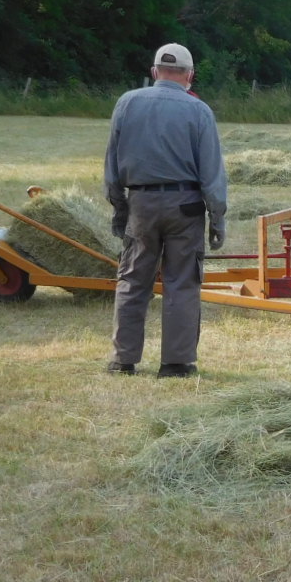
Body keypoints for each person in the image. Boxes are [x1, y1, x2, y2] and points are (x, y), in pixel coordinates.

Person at [103, 43, 227, 377]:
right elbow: (212, 174)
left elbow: (112, 165)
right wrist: (217, 219)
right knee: (182, 283)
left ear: (154, 71)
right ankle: (175, 363)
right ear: (189, 75)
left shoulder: (127, 103)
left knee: (132, 280)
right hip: (185, 206)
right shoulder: (198, 110)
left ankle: (123, 360)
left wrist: (119, 208)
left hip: (140, 204)